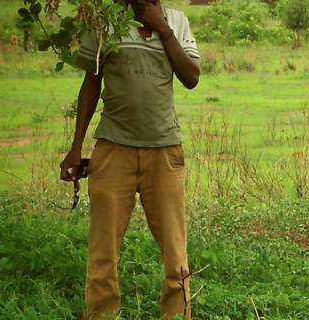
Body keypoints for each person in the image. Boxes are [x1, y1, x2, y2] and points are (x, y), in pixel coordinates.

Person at [58, 0, 200, 318]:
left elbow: (191, 77)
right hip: (112, 151)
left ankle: (177, 315)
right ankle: (100, 315)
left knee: (176, 253)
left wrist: (162, 28)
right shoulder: (104, 24)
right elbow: (90, 84)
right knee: (102, 252)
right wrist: (76, 146)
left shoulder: (177, 22)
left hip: (164, 152)